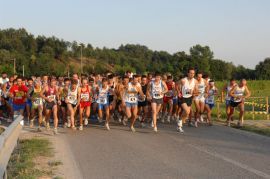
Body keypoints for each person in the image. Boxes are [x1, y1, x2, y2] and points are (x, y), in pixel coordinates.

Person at [176, 68, 198, 133]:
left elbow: (196, 91)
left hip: (189, 98)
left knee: (187, 113)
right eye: (190, 73)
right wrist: (178, 92)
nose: (192, 74)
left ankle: (179, 124)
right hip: (182, 97)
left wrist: (194, 93)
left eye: (193, 73)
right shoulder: (183, 80)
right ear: (188, 73)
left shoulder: (195, 81)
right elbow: (176, 85)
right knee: (187, 110)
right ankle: (179, 124)